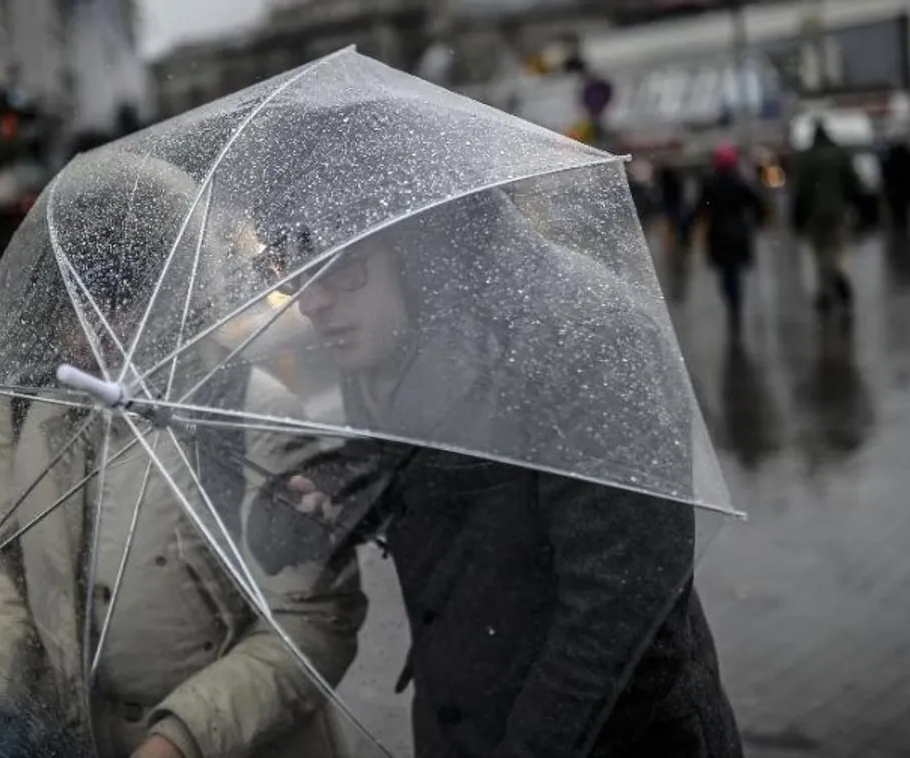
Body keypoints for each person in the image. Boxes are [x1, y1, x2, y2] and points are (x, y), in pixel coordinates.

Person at [247, 190, 742, 758]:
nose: (310, 303)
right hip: (461, 720)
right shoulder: (395, 335)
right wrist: (325, 493)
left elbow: (625, 631)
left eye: (339, 267)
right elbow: (408, 468)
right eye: (295, 268)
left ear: (412, 247)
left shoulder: (584, 336)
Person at [0, 159, 367, 758]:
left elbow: (313, 619)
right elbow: (11, 575)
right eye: (73, 308)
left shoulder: (245, 411)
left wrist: (181, 737)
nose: (88, 333)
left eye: (115, 302)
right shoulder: (44, 422)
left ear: (171, 295)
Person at [693, 142, 766, 339]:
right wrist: (759, 221)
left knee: (726, 274)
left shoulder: (710, 184)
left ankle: (732, 300)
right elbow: (757, 204)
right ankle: (736, 302)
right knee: (734, 272)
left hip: (719, 235)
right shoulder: (740, 182)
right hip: (738, 232)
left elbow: (700, 209)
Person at [791, 121, 863, 321]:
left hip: (815, 214)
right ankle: (839, 276)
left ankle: (825, 291)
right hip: (838, 211)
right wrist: (859, 206)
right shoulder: (839, 155)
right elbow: (853, 183)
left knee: (820, 253)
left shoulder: (806, 159)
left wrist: (797, 217)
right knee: (839, 248)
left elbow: (801, 190)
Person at [881, 136, 910, 235]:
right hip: (907, 186)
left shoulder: (889, 158)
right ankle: (904, 223)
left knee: (896, 207)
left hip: (893, 188)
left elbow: (884, 173)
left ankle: (898, 223)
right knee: (906, 206)